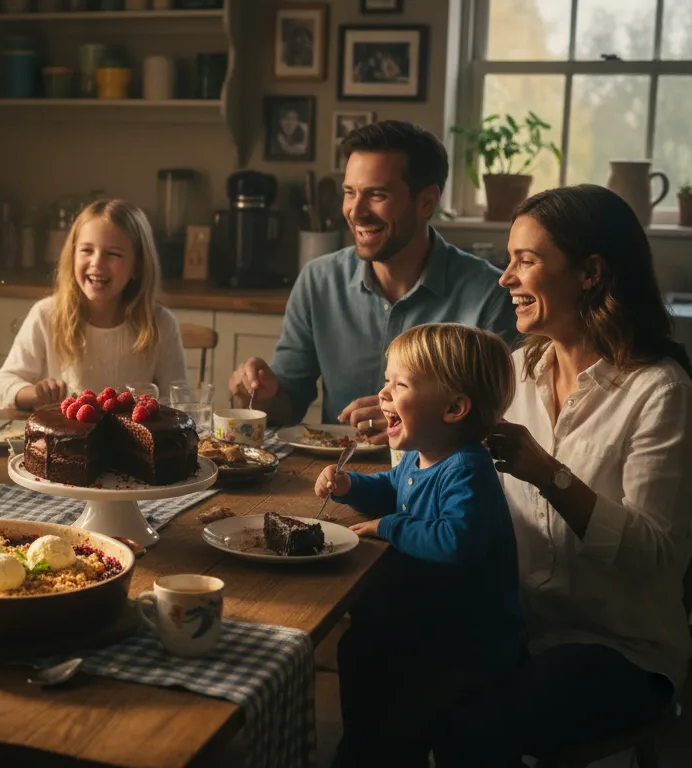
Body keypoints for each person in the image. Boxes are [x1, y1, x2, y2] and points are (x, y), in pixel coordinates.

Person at [436, 185, 692, 766]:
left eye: (526, 261)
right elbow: (459, 472)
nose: (505, 279)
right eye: (509, 260)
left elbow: (658, 557)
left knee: (471, 725)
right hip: (517, 626)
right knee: (389, 665)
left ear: (589, 272)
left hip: (620, 648)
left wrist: (550, 475)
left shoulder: (660, 392)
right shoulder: (517, 372)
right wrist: (408, 428)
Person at [315, 322, 522, 767]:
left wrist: (388, 526)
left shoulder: (467, 469)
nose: (383, 394)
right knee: (358, 649)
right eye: (386, 381)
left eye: (400, 384)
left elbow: (456, 541)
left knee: (399, 698)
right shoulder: (420, 453)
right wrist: (351, 485)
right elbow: (392, 487)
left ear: (454, 408)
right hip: (424, 622)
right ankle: (362, 750)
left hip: (464, 643)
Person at [228, 120, 518, 436]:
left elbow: (501, 421)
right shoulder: (318, 280)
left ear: (427, 202)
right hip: (334, 476)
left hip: (438, 481)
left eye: (376, 195)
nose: (356, 211)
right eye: (350, 193)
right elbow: (288, 406)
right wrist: (260, 394)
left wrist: (409, 420)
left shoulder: (490, 294)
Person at [0, 199, 188, 410]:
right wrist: (36, 393)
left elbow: (180, 399)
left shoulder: (160, 323)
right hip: (64, 440)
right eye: (86, 250)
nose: (97, 263)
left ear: (137, 267)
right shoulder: (46, 314)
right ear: (72, 256)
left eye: (113, 254)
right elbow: (1, 385)